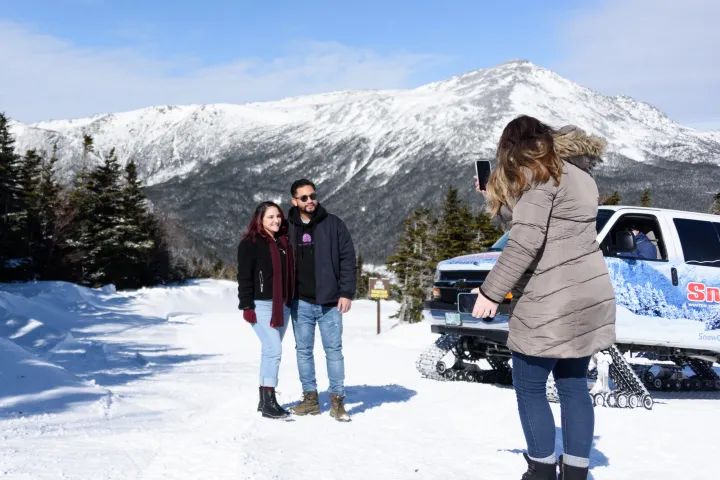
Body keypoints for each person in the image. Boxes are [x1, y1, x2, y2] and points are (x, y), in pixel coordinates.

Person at [471, 116, 616, 480]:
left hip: (552, 296)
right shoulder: (578, 174)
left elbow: (525, 240)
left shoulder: (539, 174)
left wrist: (491, 290)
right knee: (573, 388)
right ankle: (575, 474)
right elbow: (537, 222)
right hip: (587, 292)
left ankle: (540, 471)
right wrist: (496, 195)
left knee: (530, 387)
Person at [286, 179, 356, 422]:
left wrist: (346, 292)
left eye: (312, 196)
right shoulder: (287, 228)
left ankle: (337, 402)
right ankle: (311, 400)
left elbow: (348, 259)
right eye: (303, 198)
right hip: (300, 302)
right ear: (294, 201)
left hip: (330, 303)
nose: (310, 201)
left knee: (333, 352)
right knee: (303, 351)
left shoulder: (333, 224)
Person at [237, 201, 295, 419]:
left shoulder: (283, 242)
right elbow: (243, 277)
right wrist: (246, 305)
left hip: (283, 305)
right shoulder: (249, 243)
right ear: (260, 219)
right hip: (261, 305)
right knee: (274, 350)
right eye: (270, 217)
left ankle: (264, 401)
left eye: (278, 216)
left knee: (269, 351)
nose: (276, 221)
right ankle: (270, 401)